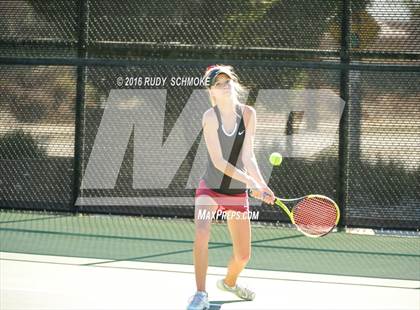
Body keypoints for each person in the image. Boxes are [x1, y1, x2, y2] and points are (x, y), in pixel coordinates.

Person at [187, 65, 275, 310]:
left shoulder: (248, 114)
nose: (224, 85)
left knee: (243, 256)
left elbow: (248, 156)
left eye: (227, 81)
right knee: (202, 233)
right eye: (218, 83)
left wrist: (262, 185)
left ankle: (229, 282)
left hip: (236, 193)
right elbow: (219, 162)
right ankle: (200, 294)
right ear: (211, 92)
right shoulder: (209, 117)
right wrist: (252, 182)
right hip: (211, 188)